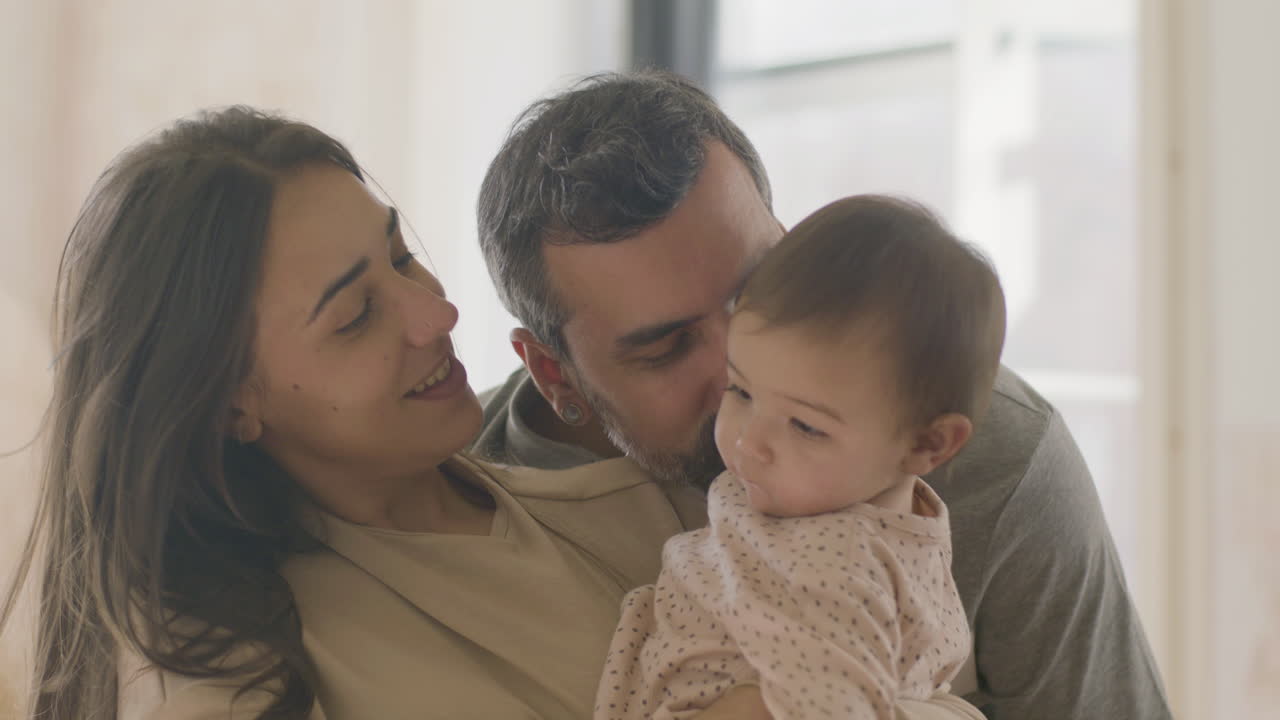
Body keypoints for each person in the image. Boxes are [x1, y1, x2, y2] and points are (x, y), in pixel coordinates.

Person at [0, 106, 771, 720]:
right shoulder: (230, 683)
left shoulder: (631, 493)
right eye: (354, 317)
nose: (434, 314)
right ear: (228, 402)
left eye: (401, 257)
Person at [474, 70, 1172, 718]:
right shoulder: (448, 507)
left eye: (757, 288)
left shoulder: (985, 446)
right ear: (554, 373)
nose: (743, 369)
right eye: (666, 348)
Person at [595, 195, 999, 720]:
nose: (747, 442)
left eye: (806, 426)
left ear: (928, 445)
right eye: (739, 391)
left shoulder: (835, 565)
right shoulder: (865, 514)